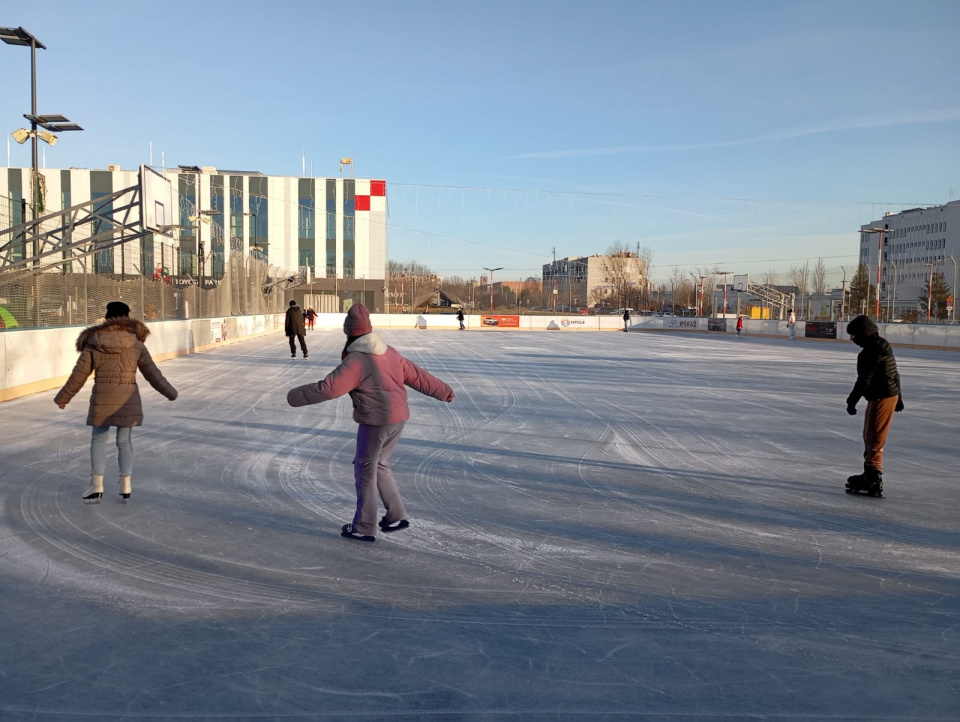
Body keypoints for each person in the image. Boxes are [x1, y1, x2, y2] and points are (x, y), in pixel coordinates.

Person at [286, 304, 455, 542]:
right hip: (398, 418)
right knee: (380, 465)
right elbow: (417, 376)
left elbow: (329, 388)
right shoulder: (390, 353)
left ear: (350, 332)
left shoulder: (357, 360)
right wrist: (444, 391)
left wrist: (294, 396)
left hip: (376, 421)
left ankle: (364, 526)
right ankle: (396, 514)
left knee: (365, 469)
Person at [54, 301, 178, 503]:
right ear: (127, 319)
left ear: (107, 318)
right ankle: (126, 484)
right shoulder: (136, 344)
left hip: (102, 399)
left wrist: (63, 397)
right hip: (127, 401)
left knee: (98, 440)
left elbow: (78, 375)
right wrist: (170, 393)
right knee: (124, 442)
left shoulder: (94, 342)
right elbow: (153, 374)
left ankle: (96, 485)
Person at [844, 315, 904, 497]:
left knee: (874, 437)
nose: (852, 340)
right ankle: (869, 472)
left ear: (862, 334)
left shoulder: (871, 352)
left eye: (854, 336)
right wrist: (899, 396)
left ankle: (874, 478)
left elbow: (864, 379)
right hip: (885, 395)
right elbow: (895, 373)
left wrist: (852, 400)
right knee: (870, 434)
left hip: (882, 396)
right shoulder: (882, 346)